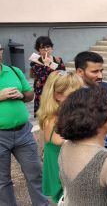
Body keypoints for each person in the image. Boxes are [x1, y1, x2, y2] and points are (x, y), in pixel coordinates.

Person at [0, 43, 49, 205]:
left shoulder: (14, 70)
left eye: (0, 49)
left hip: (23, 132)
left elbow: (30, 95)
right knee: (3, 180)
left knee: (35, 173)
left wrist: (21, 94)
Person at [36, 71, 83, 203]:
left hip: (59, 166)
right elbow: (59, 140)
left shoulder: (59, 113)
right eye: (75, 93)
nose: (81, 96)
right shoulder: (55, 118)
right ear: (58, 95)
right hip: (61, 171)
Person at [75, 51, 107, 157]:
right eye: (95, 72)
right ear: (79, 71)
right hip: (88, 154)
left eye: (101, 71)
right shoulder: (72, 95)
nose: (100, 76)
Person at [30, 36, 66, 115]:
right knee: (44, 116)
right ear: (38, 50)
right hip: (43, 92)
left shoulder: (58, 59)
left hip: (56, 90)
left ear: (52, 48)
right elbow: (42, 77)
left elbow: (63, 74)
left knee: (57, 115)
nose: (46, 50)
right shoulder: (35, 61)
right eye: (42, 48)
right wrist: (47, 65)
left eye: (48, 47)